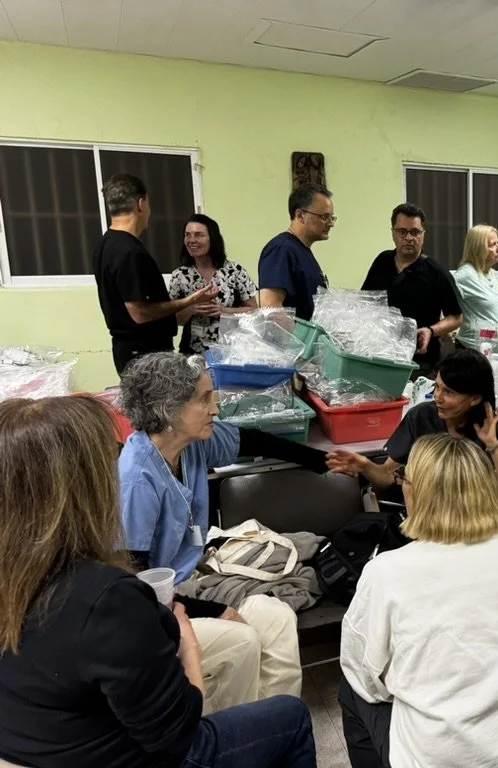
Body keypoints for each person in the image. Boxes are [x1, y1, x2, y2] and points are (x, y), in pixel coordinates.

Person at [0, 396, 316, 768]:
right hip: (124, 751)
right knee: (289, 716)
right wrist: (188, 651)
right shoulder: (105, 595)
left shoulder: (34, 572)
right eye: (203, 399)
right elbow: (177, 737)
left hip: (42, 735)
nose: (215, 408)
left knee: (254, 631)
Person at [338, 433, 498, 768]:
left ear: (417, 493)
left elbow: (365, 677)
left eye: (404, 479)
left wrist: (409, 688)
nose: (403, 487)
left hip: (455, 760)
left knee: (351, 690)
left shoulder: (387, 571)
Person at [118, 353, 334, 713]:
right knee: (243, 640)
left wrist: (322, 461)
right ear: (168, 410)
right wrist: (215, 610)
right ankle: (232, 735)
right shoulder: (138, 479)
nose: (215, 409)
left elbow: (251, 441)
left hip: (198, 579)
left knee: (277, 615)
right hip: (160, 608)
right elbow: (133, 583)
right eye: (204, 399)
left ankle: (271, 724)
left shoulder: (191, 445)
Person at [328, 348, 498, 508]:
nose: (438, 397)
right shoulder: (421, 417)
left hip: (475, 519)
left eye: (449, 392)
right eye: (437, 387)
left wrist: (493, 446)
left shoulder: (494, 429)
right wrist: (365, 466)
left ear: (474, 398)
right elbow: (387, 475)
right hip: (427, 519)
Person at [93, 173, 219, 374]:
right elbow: (140, 313)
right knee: (158, 405)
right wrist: (190, 301)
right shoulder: (129, 251)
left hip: (133, 351)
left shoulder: (106, 244)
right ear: (141, 204)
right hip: (144, 354)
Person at [361, 203, 463, 374]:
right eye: (402, 232)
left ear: (423, 235)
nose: (408, 238)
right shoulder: (382, 262)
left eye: (415, 232)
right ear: (393, 233)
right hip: (380, 356)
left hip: (420, 363)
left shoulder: (436, 271)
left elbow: (456, 317)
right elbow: (365, 302)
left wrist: (431, 331)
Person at [170, 213, 258, 354]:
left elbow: (254, 310)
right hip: (192, 353)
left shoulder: (235, 271)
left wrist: (225, 311)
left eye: (199, 235)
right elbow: (173, 319)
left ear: (213, 239)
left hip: (232, 351)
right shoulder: (179, 276)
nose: (192, 240)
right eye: (188, 235)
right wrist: (192, 308)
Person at [258, 183, 333, 320]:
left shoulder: (301, 251)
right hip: (295, 340)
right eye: (324, 217)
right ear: (300, 215)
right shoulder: (281, 249)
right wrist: (301, 339)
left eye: (331, 218)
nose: (330, 223)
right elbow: (271, 307)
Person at [452, 224, 498, 349]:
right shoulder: (465, 275)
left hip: (491, 350)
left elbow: (486, 309)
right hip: (471, 350)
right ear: (479, 248)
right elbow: (441, 304)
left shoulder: (490, 273)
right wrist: (445, 336)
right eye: (493, 244)